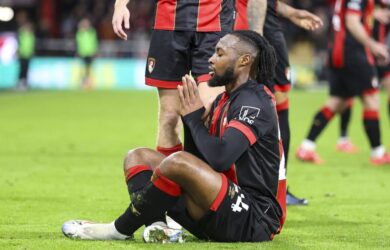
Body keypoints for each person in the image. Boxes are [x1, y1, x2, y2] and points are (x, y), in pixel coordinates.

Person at [61, 30, 286, 243]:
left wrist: (194, 121)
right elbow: (200, 162)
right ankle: (159, 228)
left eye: (219, 53)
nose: (210, 59)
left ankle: (118, 229)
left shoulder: (254, 101)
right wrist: (191, 121)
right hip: (220, 205)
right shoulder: (224, 100)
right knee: (137, 157)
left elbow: (220, 158)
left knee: (176, 162)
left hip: (255, 218)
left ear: (244, 60)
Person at [112, 0, 234, 157]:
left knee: (211, 110)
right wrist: (120, 5)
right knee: (169, 116)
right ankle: (170, 178)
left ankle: (206, 178)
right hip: (168, 24)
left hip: (215, 23)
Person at [296, 0, 390, 166]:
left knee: (337, 102)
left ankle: (306, 147)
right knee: (372, 99)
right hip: (353, 52)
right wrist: (372, 45)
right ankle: (378, 153)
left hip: (338, 51)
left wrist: (373, 14)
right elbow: (351, 22)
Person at [246, 0, 323, 205]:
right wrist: (256, 41)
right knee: (269, 112)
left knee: (271, 111)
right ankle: (273, 190)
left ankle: (274, 189)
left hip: (261, 37)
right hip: (259, 38)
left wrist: (291, 13)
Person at [336, 1, 390, 153]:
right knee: (347, 98)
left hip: (381, 53)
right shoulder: (363, 5)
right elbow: (351, 19)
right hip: (363, 52)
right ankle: (343, 138)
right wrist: (371, 15)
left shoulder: (386, 6)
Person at [76, 18, 98, 89]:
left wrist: (94, 51)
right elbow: (79, 43)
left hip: (90, 53)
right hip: (83, 53)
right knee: (83, 69)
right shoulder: (80, 34)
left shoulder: (92, 32)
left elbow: (94, 42)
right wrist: (79, 51)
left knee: (89, 69)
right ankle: (83, 84)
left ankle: (89, 84)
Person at [16, 11, 35, 91]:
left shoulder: (30, 35)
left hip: (28, 54)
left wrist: (32, 51)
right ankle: (20, 82)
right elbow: (19, 44)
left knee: (26, 69)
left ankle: (25, 82)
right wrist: (18, 50)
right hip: (22, 54)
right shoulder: (21, 34)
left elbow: (31, 44)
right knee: (22, 69)